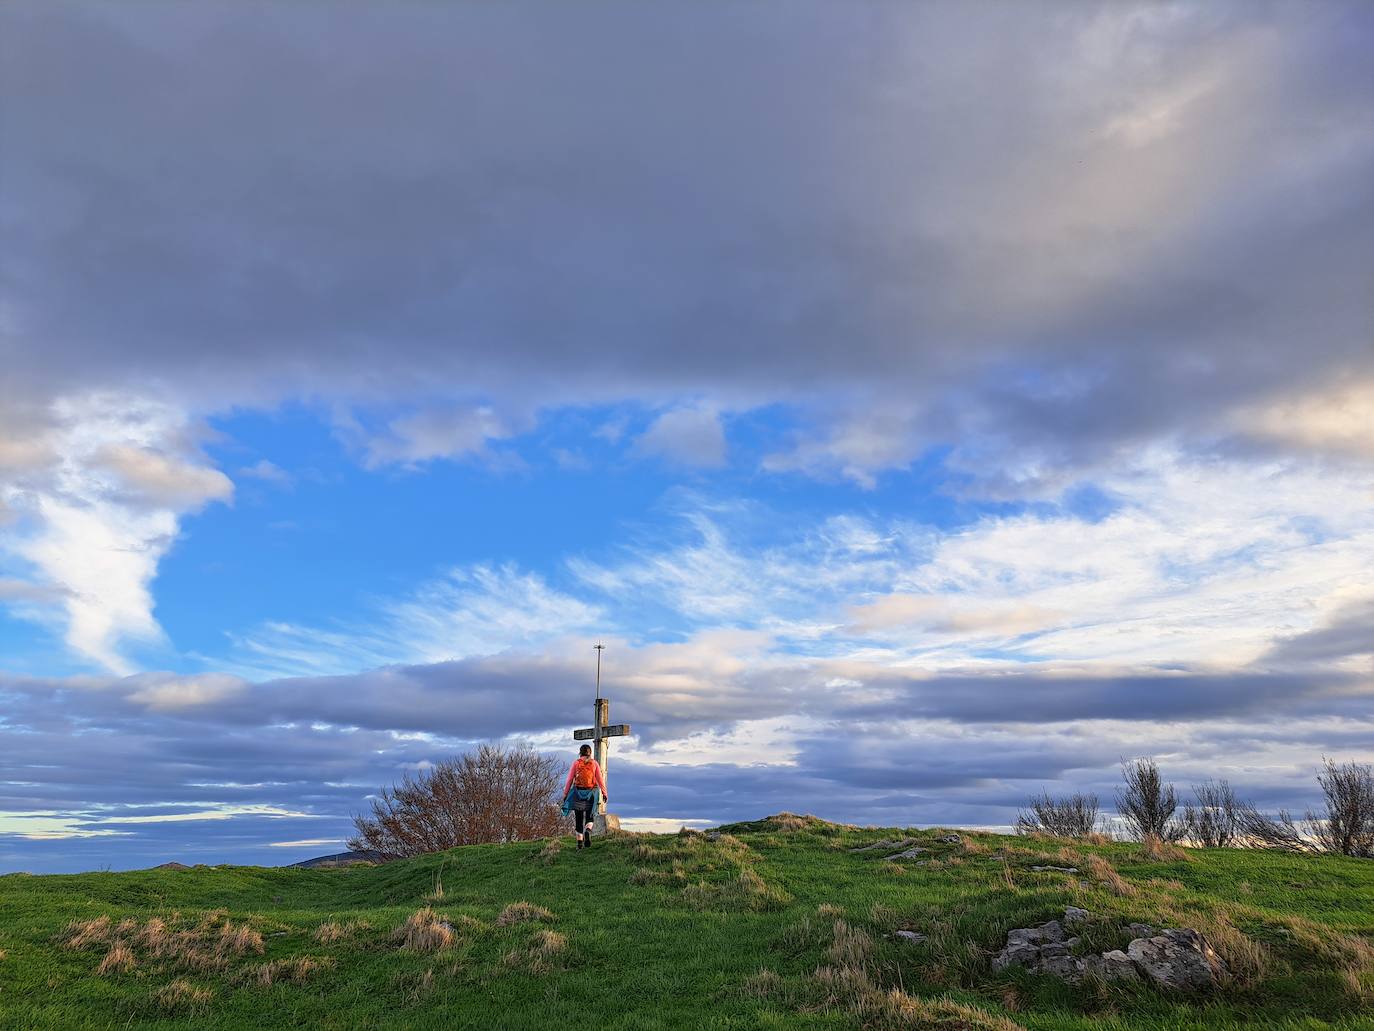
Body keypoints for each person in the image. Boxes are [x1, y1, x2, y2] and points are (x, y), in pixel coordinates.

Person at [560, 744, 608, 848]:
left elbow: (569, 780)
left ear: (580, 752)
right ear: (590, 753)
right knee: (590, 816)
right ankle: (588, 831)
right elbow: (600, 780)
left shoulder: (576, 763)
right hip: (591, 793)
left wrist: (565, 794)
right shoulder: (594, 763)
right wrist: (604, 793)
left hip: (578, 793)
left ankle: (580, 843)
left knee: (578, 818)